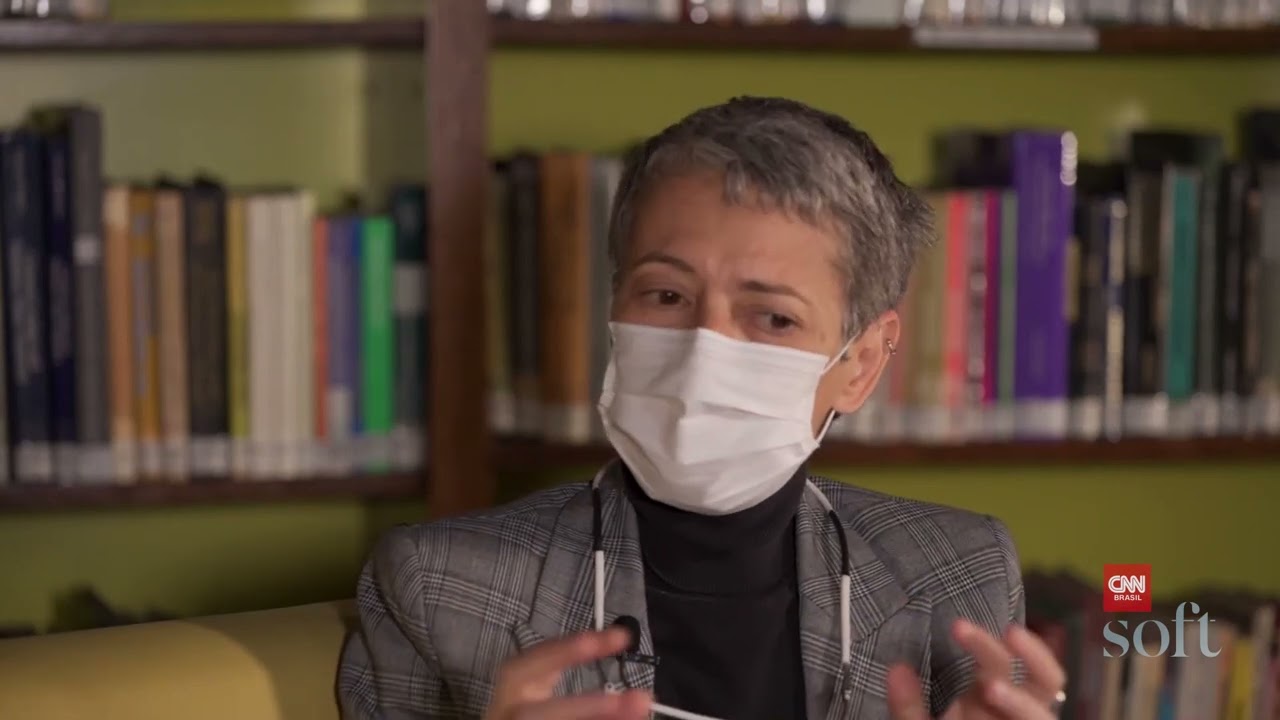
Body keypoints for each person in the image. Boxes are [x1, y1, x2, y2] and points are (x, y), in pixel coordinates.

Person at [337, 96, 1066, 720]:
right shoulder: (436, 587)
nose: (702, 350)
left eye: (772, 318)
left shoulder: (958, 573)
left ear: (862, 364)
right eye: (666, 295)